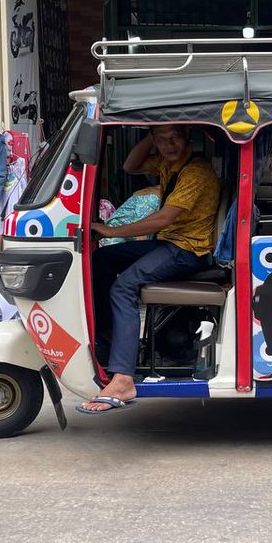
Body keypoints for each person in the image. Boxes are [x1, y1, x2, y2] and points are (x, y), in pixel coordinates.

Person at [79, 125, 220, 413]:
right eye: (162, 139)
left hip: (189, 251)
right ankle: (110, 336)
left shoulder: (196, 171)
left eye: (175, 137)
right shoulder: (170, 163)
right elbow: (130, 165)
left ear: (187, 137)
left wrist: (108, 230)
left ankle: (123, 379)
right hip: (169, 244)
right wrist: (151, 134)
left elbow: (162, 219)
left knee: (124, 286)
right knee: (101, 261)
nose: (169, 145)